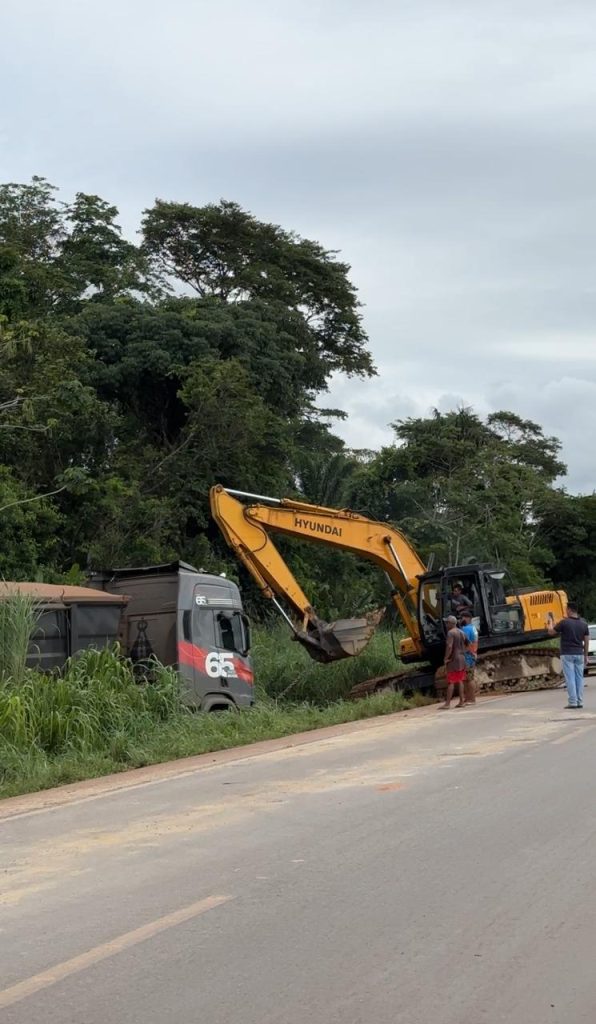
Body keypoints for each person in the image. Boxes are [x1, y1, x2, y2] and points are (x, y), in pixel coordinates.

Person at [548, 602, 590, 709]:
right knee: (579, 678)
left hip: (567, 654)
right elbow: (586, 641)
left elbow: (551, 632)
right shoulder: (584, 624)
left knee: (570, 678)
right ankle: (580, 701)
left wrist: (550, 622)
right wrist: (585, 656)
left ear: (570, 610)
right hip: (579, 654)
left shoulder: (564, 623)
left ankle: (572, 702)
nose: (566, 611)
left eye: (566, 609)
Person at [441, 615, 467, 709]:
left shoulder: (450, 633)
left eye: (447, 622)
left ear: (451, 624)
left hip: (454, 659)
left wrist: (446, 658)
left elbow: (449, 646)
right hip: (462, 658)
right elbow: (467, 643)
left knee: (451, 681)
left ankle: (447, 704)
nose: (446, 624)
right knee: (460, 680)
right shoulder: (461, 632)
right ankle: (462, 701)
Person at [459, 609, 478, 705]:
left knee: (469, 678)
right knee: (468, 678)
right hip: (472, 654)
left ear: (467, 618)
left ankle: (472, 699)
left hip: (467, 656)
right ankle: (469, 698)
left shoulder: (466, 629)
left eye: (462, 617)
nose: (461, 619)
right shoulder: (473, 628)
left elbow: (464, 643)